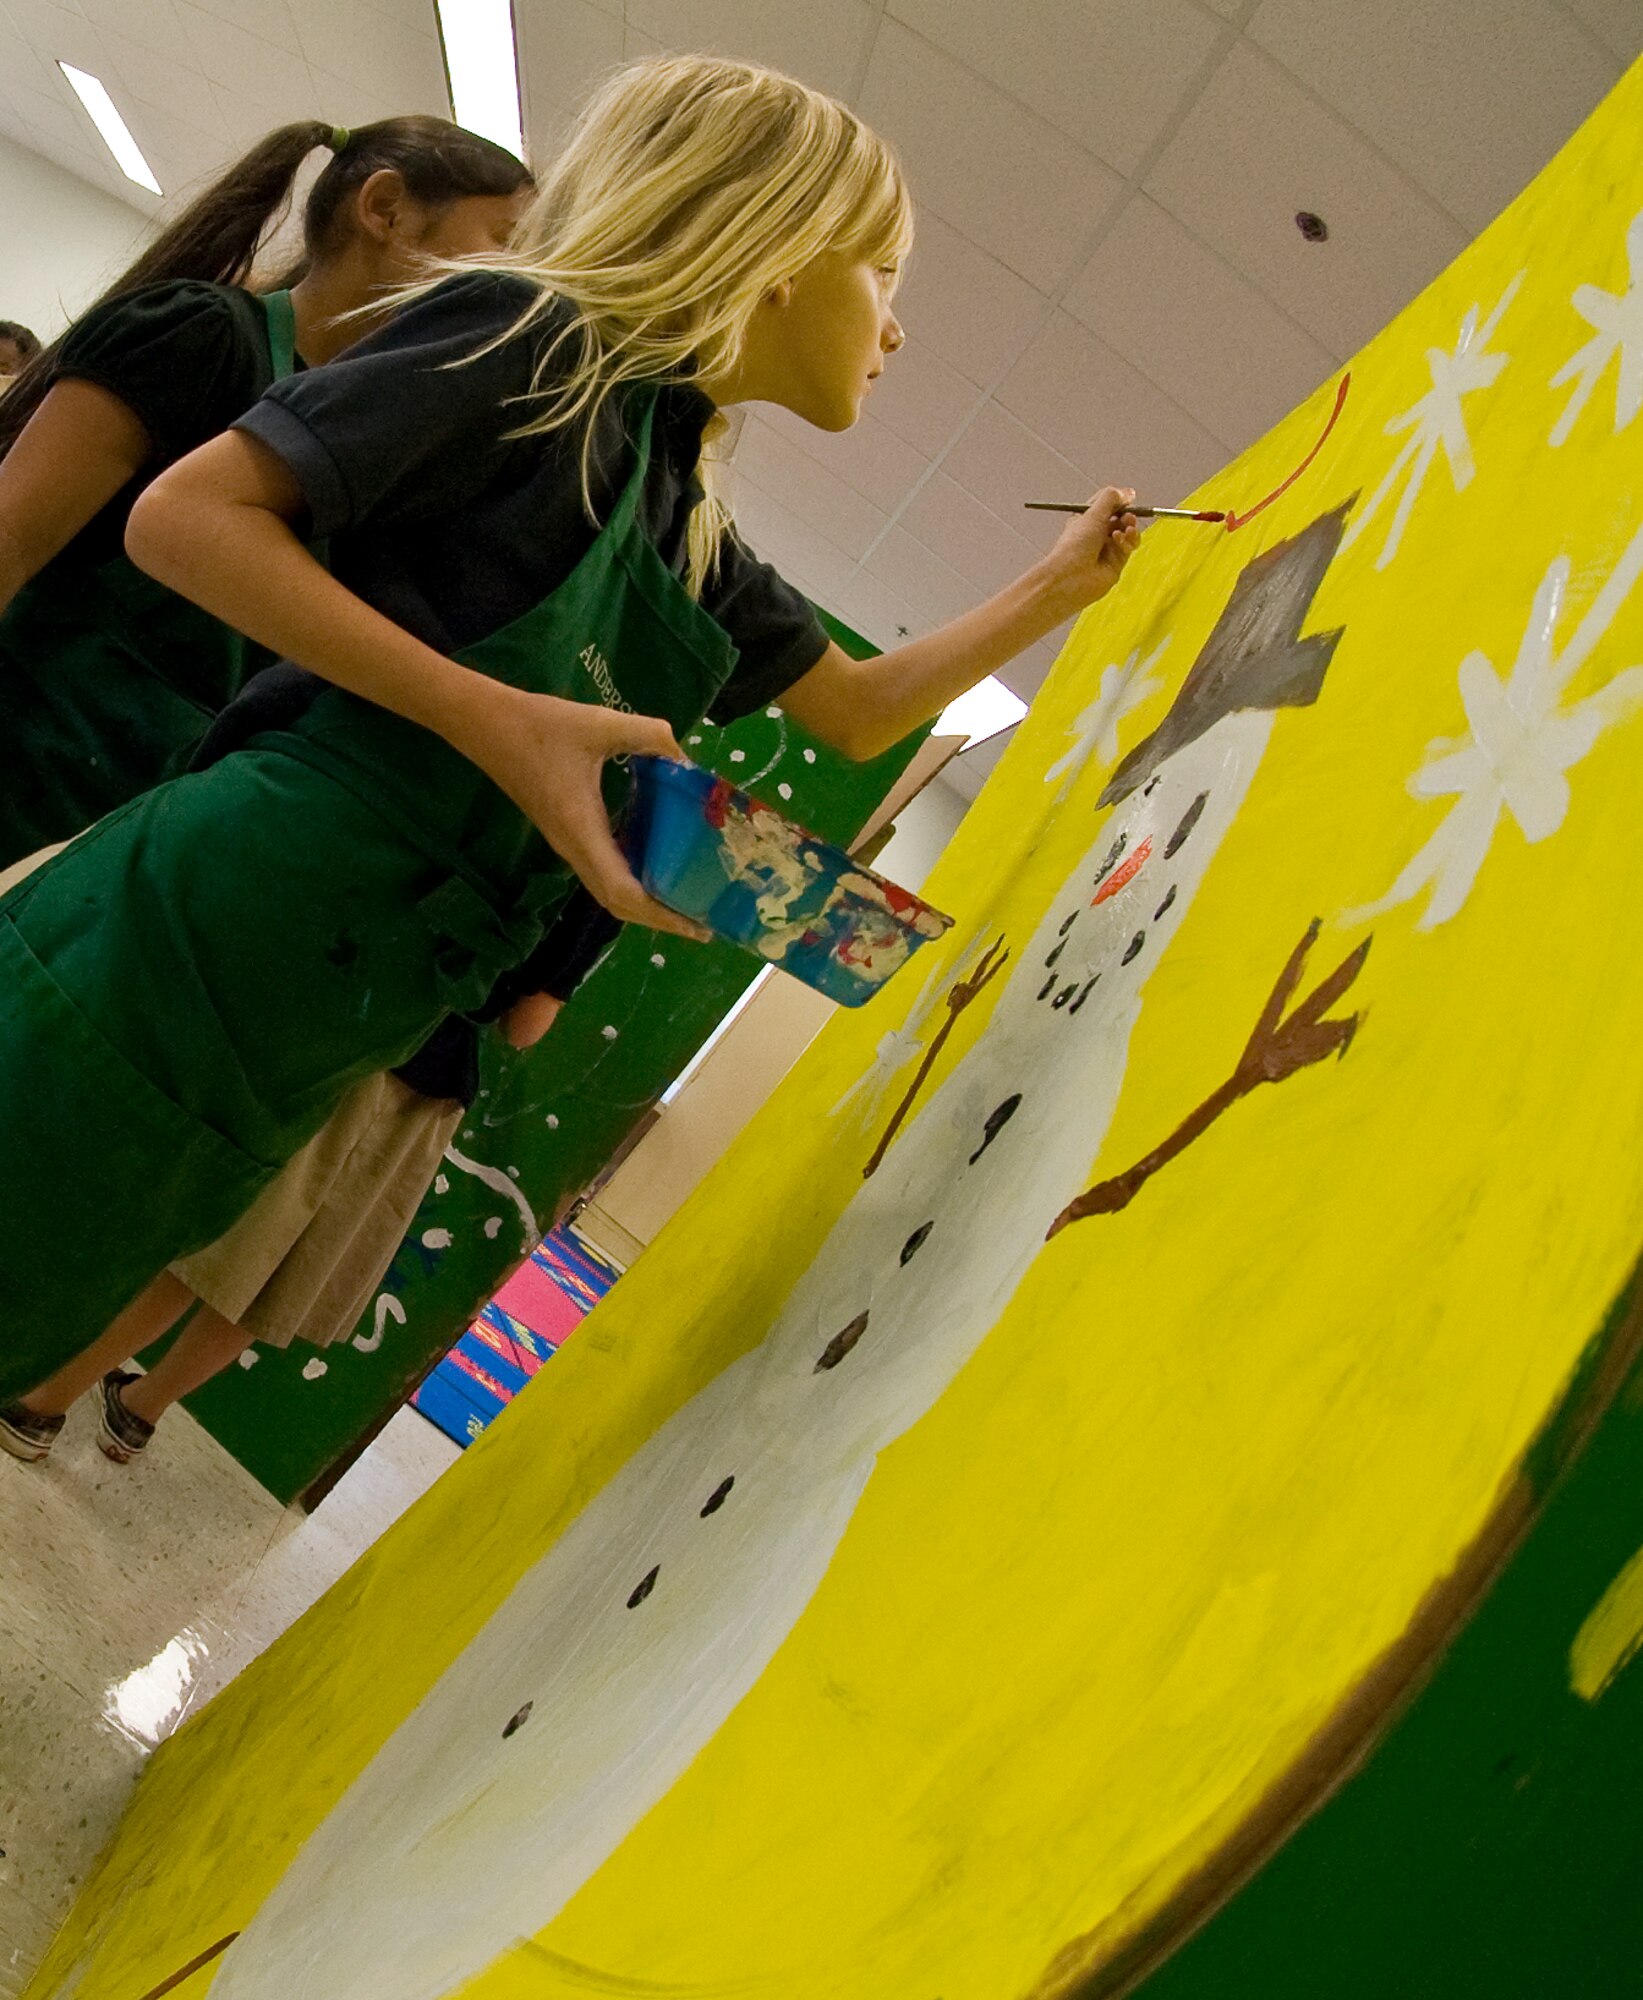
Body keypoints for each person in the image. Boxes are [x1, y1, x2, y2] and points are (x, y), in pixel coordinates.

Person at [0, 53, 1140, 1405]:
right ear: (775, 251)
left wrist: (1056, 588)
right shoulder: (527, 342)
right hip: (203, 928)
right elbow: (185, 520)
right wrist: (498, 721)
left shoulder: (680, 506)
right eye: (881, 275)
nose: (893, 330)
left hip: (322, 1017)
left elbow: (853, 711)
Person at [0, 115, 531, 865]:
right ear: (384, 209)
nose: (520, 289)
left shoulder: (357, 464)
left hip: (92, 847)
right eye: (506, 243)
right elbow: (9, 536)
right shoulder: (203, 336)